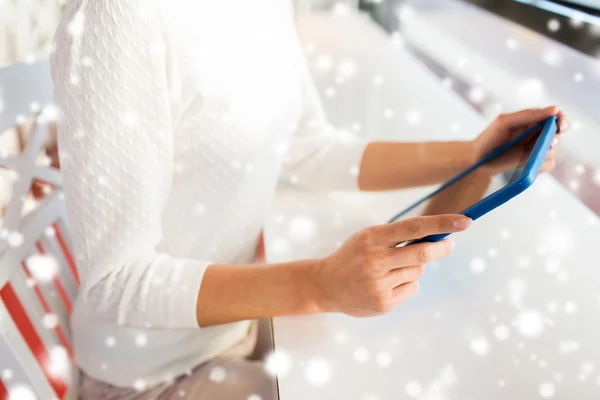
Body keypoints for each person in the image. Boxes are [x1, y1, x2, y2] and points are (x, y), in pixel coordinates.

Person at [50, 0, 570, 399]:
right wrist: (320, 285)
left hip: (237, 328)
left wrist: (473, 154)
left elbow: (311, 147)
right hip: (151, 377)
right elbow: (115, 283)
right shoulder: (116, 17)